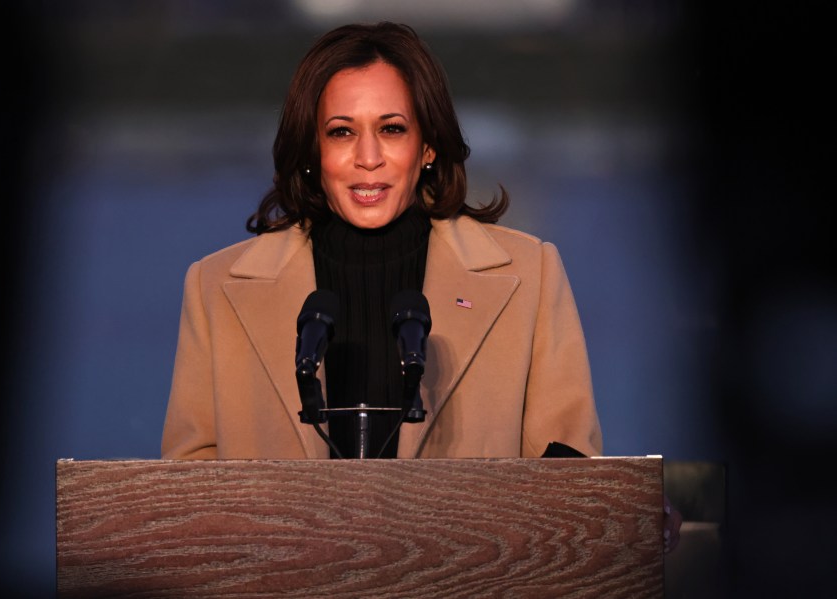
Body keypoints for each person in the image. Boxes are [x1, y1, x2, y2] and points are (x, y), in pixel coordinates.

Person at [160, 21, 680, 552]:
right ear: (312, 148)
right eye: (341, 131)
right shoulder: (215, 287)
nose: (368, 157)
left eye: (391, 129)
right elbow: (185, 495)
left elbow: (569, 471)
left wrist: (613, 508)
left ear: (428, 144)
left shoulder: (530, 274)